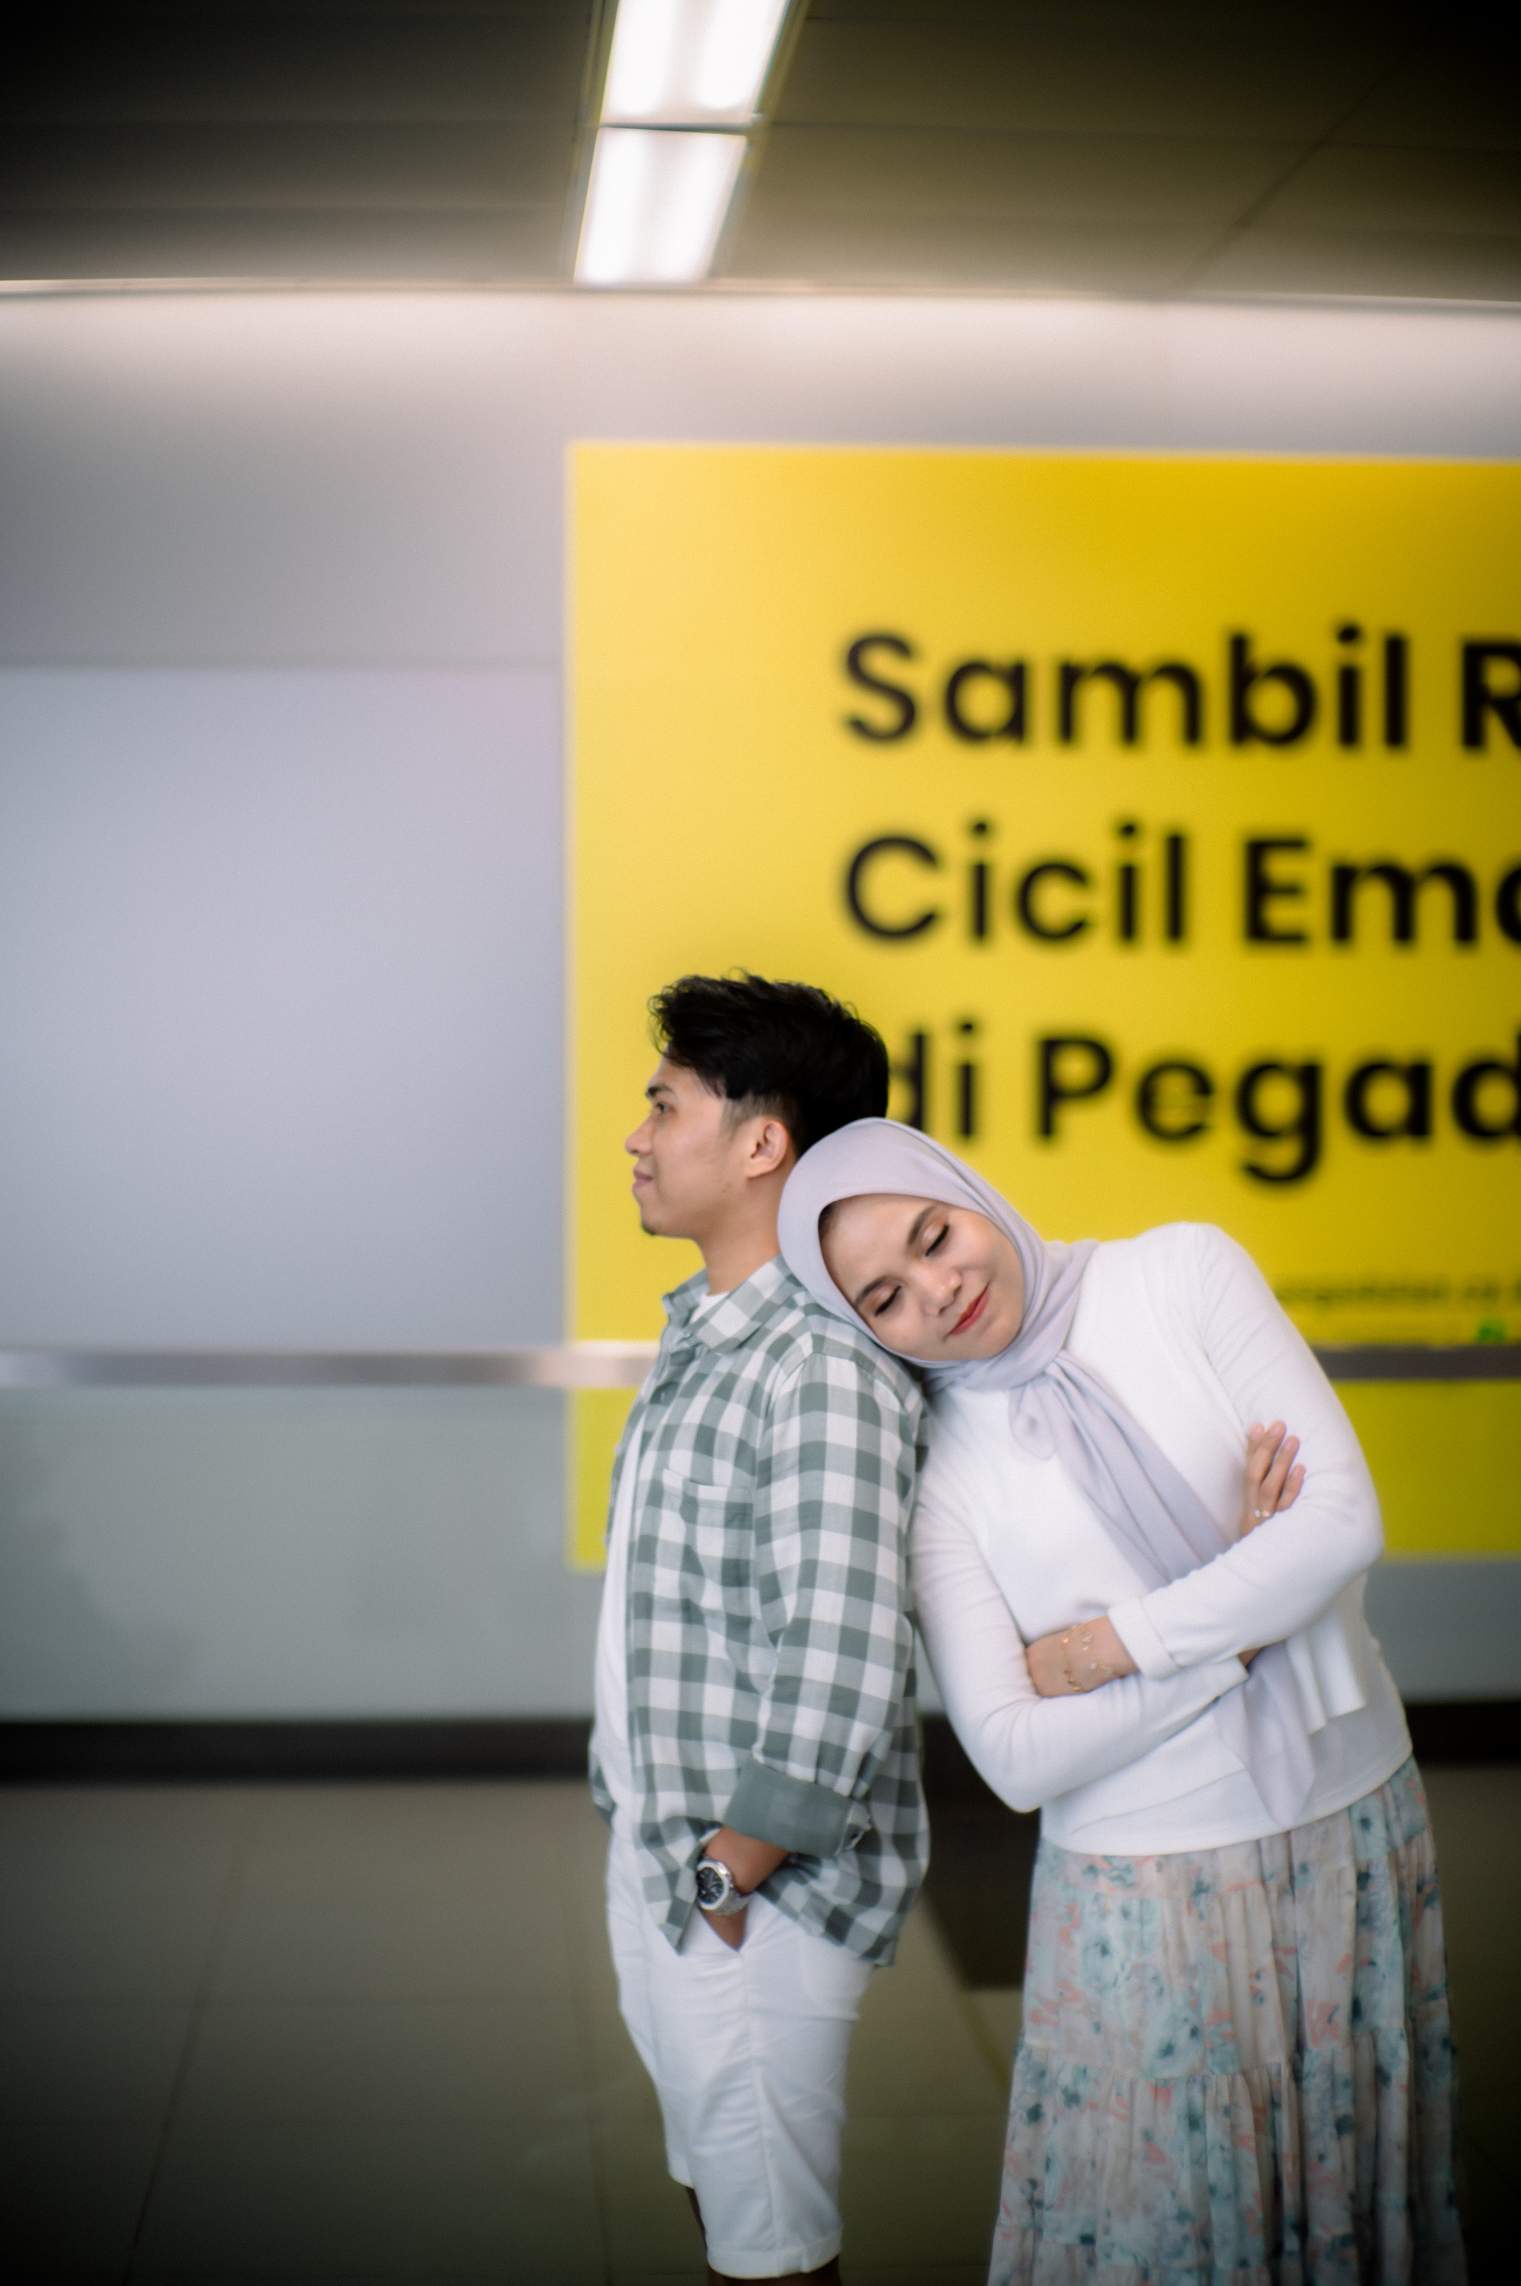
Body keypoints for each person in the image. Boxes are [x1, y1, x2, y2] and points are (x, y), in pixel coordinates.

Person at [778, 1119, 1465, 2286]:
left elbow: (1343, 1522)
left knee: (1356, 2195)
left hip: (1356, 1822)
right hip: (1148, 1887)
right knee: (1178, 2228)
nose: (938, 1291)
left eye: (936, 1236)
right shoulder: (938, 1473)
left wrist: (1107, 1648)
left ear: (971, 1193)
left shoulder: (1180, 1273)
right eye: (884, 1297)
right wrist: (1242, 1626)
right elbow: (1015, 1755)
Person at [590, 976, 929, 2286]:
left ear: (761, 1143)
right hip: (672, 1847)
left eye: (664, 1106)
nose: (637, 1137)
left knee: (773, 2250)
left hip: (754, 1884)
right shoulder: (711, 1337)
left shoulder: (817, 1364)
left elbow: (843, 1643)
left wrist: (735, 1867)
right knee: (722, 2200)